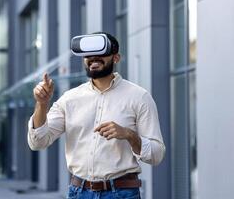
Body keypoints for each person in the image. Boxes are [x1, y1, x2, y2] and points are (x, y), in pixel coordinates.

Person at [27, 32, 165, 199]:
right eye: (89, 54)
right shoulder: (69, 99)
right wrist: (42, 104)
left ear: (116, 58)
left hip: (121, 193)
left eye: (100, 52)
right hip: (78, 192)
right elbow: (38, 142)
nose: (93, 58)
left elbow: (156, 155)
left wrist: (129, 135)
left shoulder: (139, 97)